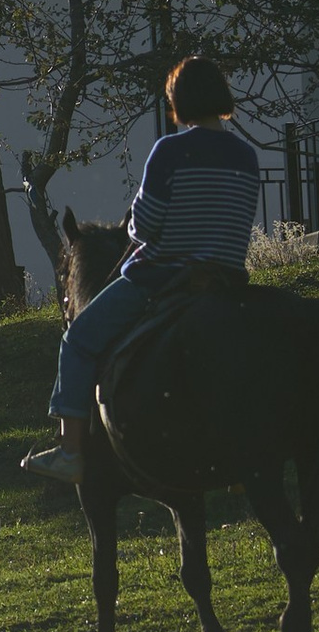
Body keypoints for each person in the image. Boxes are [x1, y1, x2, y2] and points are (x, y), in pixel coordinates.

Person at [22, 58, 264, 486]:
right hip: (227, 281)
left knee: (77, 340)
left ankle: (71, 451)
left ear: (178, 102)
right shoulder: (246, 156)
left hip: (163, 277)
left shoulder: (170, 150)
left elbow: (145, 225)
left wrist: (133, 225)